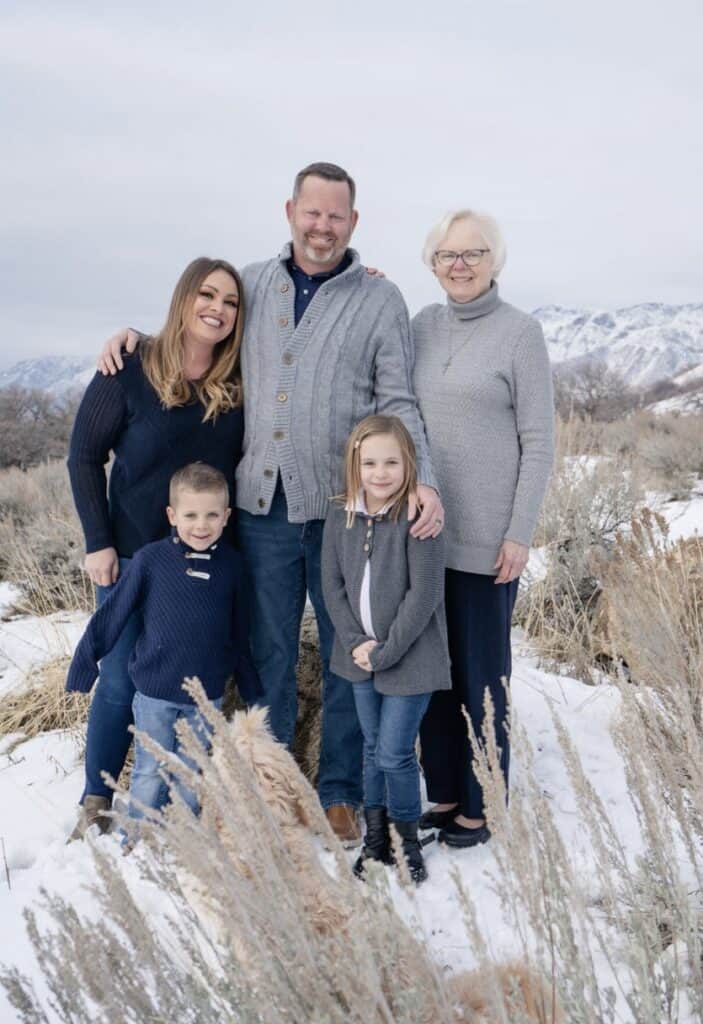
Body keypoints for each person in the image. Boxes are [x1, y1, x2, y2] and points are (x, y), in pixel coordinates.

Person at [97, 162, 443, 846]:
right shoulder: (253, 283)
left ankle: (341, 790)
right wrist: (135, 339)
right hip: (262, 509)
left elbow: (397, 398)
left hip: (348, 511)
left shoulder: (379, 299)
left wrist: (421, 477)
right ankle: (273, 787)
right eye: (311, 213)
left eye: (335, 216)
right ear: (290, 212)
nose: (322, 227)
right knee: (268, 652)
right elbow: (201, 327)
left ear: (353, 223)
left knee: (351, 649)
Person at [67, 257, 247, 839]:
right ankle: (96, 800)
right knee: (121, 677)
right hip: (130, 556)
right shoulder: (128, 368)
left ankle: (177, 795)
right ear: (183, 298)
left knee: (187, 680)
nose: (217, 309)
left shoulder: (238, 382)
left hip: (201, 563)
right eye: (206, 295)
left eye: (230, 301)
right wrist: (98, 542)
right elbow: (83, 456)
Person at [412, 209, 554, 848]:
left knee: (481, 678)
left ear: (495, 260)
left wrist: (519, 531)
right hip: (420, 537)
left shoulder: (521, 335)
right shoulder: (418, 327)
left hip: (487, 541)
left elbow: (539, 440)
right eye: (448, 254)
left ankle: (484, 802)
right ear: (432, 262)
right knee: (432, 674)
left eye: (473, 253)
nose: (460, 264)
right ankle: (442, 792)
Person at [66, 464, 261, 822]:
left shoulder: (233, 566)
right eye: (190, 515)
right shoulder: (150, 561)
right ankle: (136, 837)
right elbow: (113, 615)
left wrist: (250, 686)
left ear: (226, 516)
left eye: (211, 515)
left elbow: (238, 632)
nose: (201, 525)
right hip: (154, 693)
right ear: (172, 515)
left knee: (192, 773)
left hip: (206, 696)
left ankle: (183, 840)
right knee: (149, 771)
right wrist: (84, 662)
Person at [321, 415, 450, 883]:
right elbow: (331, 585)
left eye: (391, 462)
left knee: (395, 752)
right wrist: (357, 644)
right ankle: (376, 842)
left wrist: (386, 651)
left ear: (408, 463)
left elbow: (425, 593)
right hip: (358, 658)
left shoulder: (420, 515)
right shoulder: (342, 513)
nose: (380, 472)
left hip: (409, 658)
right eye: (370, 462)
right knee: (373, 748)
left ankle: (405, 841)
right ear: (355, 464)